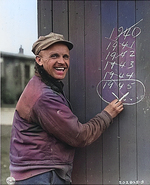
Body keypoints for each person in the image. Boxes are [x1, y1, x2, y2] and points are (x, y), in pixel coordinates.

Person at [9, 32, 123, 185]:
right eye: (54, 56)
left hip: (38, 173)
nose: (61, 62)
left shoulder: (43, 85)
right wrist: (107, 114)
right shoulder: (44, 97)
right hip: (41, 176)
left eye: (66, 56)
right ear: (39, 60)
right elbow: (79, 136)